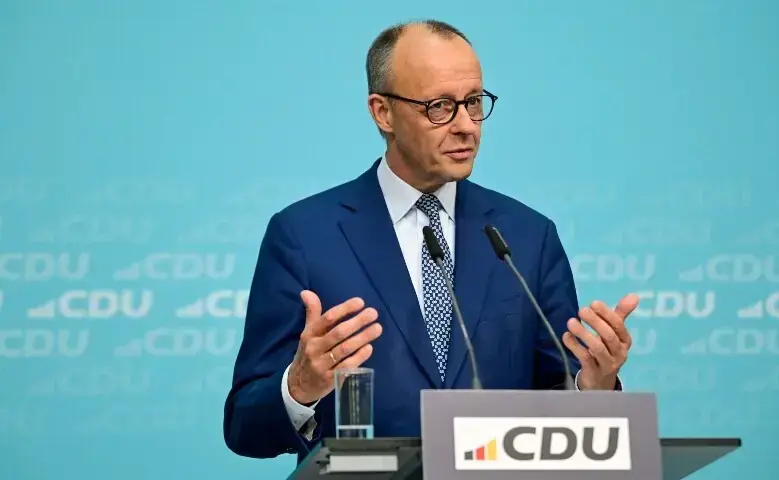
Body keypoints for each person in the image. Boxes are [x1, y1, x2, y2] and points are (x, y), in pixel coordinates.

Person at [222, 19, 638, 463]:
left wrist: (592, 389)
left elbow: (562, 397)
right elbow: (244, 427)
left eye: (474, 103)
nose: (466, 126)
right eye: (440, 107)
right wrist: (299, 387)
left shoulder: (526, 237)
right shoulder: (304, 235)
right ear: (383, 112)